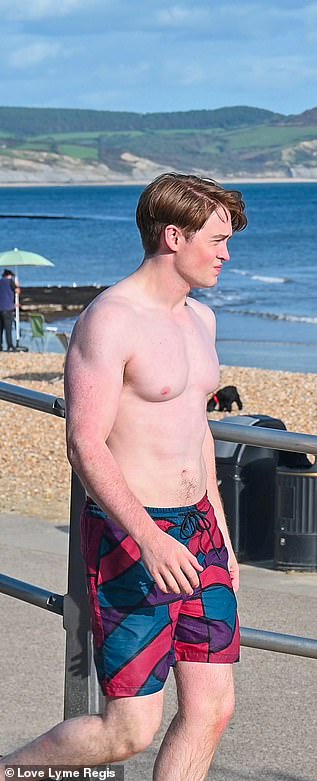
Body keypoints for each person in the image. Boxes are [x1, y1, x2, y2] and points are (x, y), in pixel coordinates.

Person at [0, 173, 247, 780]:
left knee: (213, 707)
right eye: (216, 239)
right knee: (127, 731)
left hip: (200, 532)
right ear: (173, 236)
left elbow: (197, 431)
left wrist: (221, 532)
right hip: (134, 535)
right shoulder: (110, 320)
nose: (226, 253)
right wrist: (149, 536)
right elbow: (84, 444)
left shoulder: (202, 321)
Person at [0, 268, 20, 351]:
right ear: (10, 276)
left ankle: (0, 345)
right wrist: (17, 285)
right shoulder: (10, 282)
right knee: (8, 328)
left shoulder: (0, 282)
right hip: (8, 308)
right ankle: (10, 345)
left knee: (0, 328)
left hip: (0, 307)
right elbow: (17, 291)